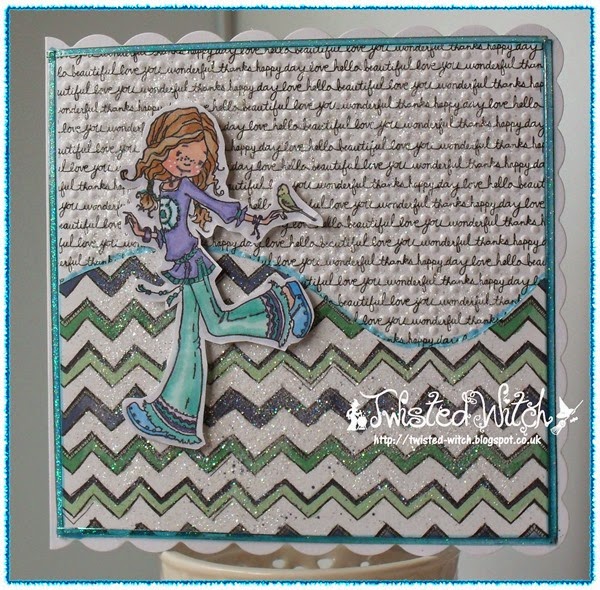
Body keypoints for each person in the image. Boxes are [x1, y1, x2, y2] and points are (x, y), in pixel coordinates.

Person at [120, 106, 316, 449]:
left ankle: (286, 309)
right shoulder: (163, 188)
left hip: (192, 266)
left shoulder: (184, 187)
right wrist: (145, 234)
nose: (187, 165)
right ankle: (174, 417)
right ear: (163, 149)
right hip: (182, 266)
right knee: (190, 337)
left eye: (196, 162)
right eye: (181, 156)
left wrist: (253, 219)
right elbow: (171, 233)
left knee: (216, 326)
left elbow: (218, 207)